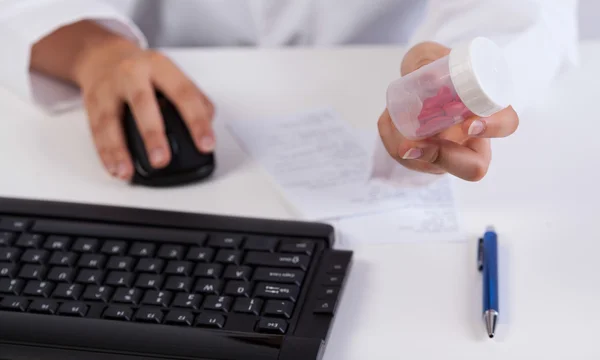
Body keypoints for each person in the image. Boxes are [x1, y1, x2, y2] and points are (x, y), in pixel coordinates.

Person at [0, 0, 579, 182]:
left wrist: (455, 71)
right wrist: (92, 51)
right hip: (173, 83)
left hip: (370, 107)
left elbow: (523, 13)